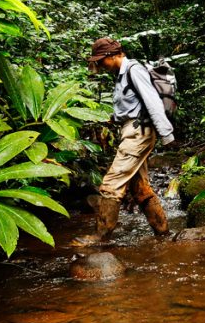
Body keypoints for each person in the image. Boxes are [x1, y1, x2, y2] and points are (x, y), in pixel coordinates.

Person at [73, 37, 175, 245]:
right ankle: (163, 233)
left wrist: (167, 134)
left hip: (138, 133)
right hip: (132, 130)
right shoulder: (122, 75)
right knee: (139, 188)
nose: (100, 65)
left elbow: (152, 101)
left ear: (112, 55)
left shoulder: (133, 70)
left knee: (112, 183)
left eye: (101, 60)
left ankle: (100, 237)